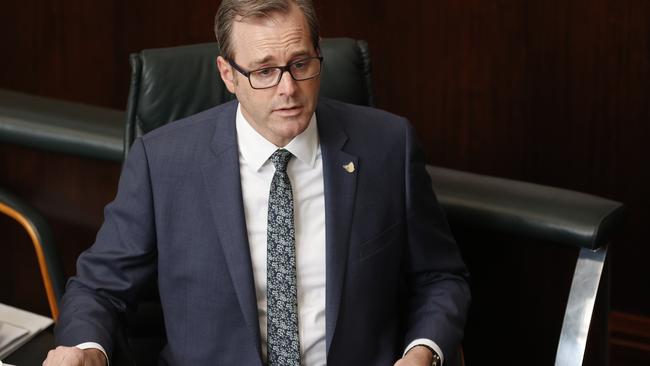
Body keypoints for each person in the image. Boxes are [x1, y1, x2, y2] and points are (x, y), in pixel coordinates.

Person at [43, 0, 470, 365]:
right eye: (264, 71)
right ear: (228, 75)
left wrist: (423, 350)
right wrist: (87, 350)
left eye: (300, 64)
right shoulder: (163, 161)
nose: (288, 88)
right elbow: (99, 288)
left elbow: (440, 277)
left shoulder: (388, 146)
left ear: (319, 55)